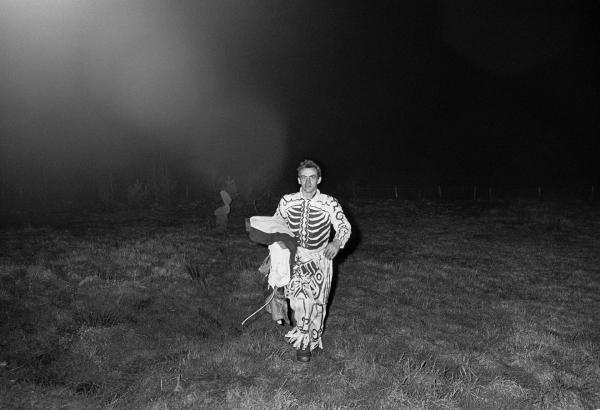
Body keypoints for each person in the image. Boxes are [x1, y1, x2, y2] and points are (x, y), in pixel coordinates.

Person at [273, 159, 351, 362]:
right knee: (299, 302)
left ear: (319, 179)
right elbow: (277, 224)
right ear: (298, 179)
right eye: (304, 177)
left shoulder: (329, 202)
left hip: (320, 259)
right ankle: (304, 344)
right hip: (296, 257)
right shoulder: (287, 201)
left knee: (318, 303)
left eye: (312, 177)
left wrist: (336, 242)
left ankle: (312, 338)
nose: (308, 182)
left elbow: (344, 227)